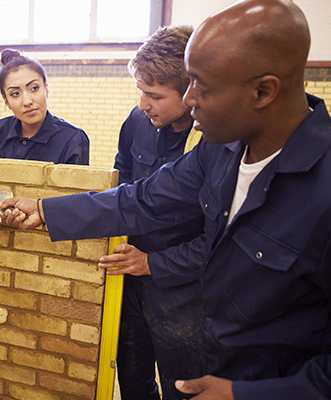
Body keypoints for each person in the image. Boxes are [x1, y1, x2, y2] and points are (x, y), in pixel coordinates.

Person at [0, 1, 331, 399]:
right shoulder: (220, 151)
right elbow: (142, 199)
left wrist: (247, 394)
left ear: (263, 91)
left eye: (199, 86)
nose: (188, 100)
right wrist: (46, 209)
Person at [109, 25, 204, 400]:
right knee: (132, 383)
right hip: (130, 278)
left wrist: (154, 262)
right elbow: (123, 181)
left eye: (154, 95)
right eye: (140, 91)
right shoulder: (137, 122)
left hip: (184, 291)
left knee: (183, 387)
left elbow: (219, 238)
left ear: (190, 90)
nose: (142, 105)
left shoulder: (213, 140)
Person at [0, 48, 90, 165]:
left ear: (46, 89)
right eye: (15, 94)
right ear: (6, 102)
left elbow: (74, 200)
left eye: (34, 88)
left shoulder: (73, 139)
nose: (27, 101)